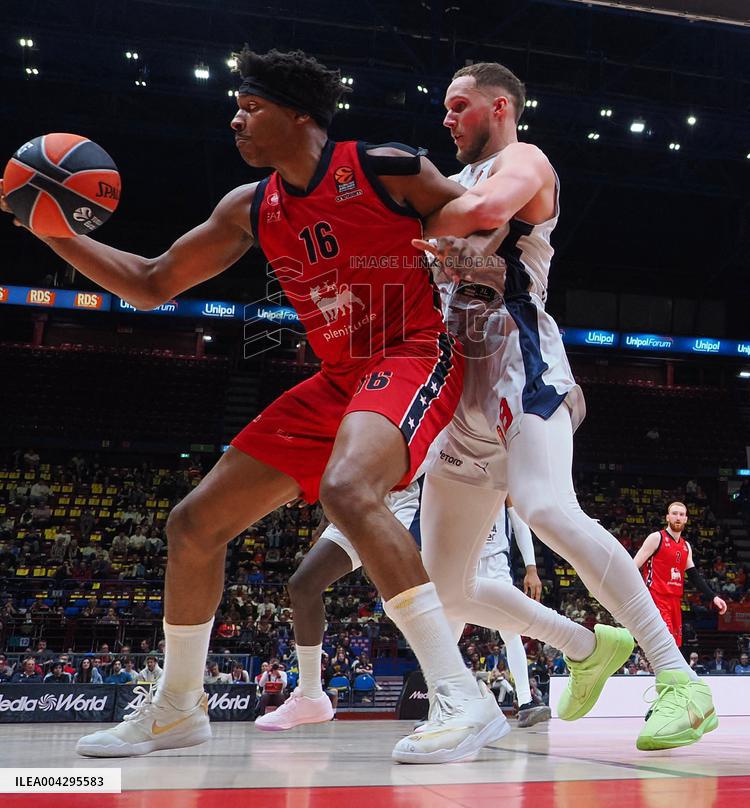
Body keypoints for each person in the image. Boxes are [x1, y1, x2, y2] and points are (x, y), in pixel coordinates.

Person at [2, 46, 506, 763]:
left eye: (250, 106)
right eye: (236, 108)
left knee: (346, 488)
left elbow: (482, 223)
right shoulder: (250, 206)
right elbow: (151, 282)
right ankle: (178, 707)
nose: (235, 119)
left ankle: (462, 697)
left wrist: (470, 255)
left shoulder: (383, 166)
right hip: (337, 376)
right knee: (194, 524)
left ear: (300, 114)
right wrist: (58, 231)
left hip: (414, 350)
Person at [413, 61, 717, 753]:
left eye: (458, 106)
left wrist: (395, 201)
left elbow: (488, 213)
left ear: (499, 107)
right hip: (454, 382)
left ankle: (679, 681)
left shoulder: (525, 160)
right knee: (450, 590)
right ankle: (585, 646)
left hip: (519, 356)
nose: (447, 118)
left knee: (546, 507)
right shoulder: (442, 183)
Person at [254, 479, 421, 733]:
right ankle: (310, 694)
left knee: (407, 600)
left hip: (405, 499)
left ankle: (453, 695)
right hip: (356, 501)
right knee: (303, 585)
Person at [474, 496, 551, 728]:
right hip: (464, 559)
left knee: (510, 629)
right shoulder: (456, 466)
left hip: (496, 562)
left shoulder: (502, 474)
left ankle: (526, 703)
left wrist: (531, 567)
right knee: (451, 625)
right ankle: (438, 706)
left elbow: (519, 521)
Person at [633, 502, 728, 648]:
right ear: (667, 517)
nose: (678, 517)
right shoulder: (656, 538)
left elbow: (694, 576)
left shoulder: (686, 546)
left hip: (675, 601)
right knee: (666, 643)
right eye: (674, 513)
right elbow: (633, 567)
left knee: (676, 645)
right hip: (656, 597)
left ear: (685, 519)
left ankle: (667, 670)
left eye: (681, 514)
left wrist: (713, 597)